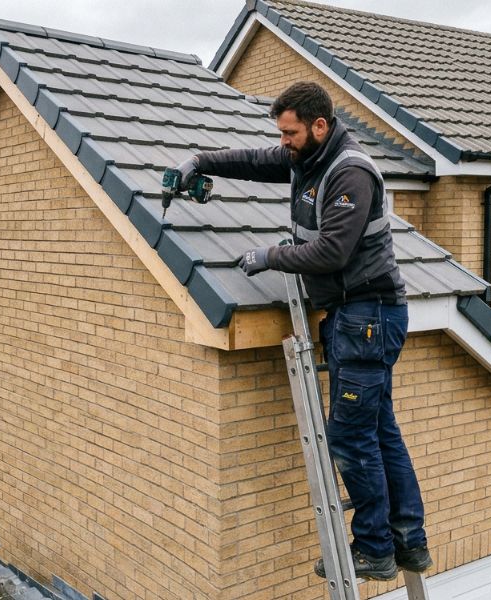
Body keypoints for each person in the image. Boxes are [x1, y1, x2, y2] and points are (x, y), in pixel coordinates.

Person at [174, 81, 431, 580]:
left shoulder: (349, 173)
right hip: (358, 318)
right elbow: (254, 161)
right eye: (282, 133)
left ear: (320, 125)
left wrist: (269, 256)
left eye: (290, 133)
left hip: (367, 316)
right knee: (380, 432)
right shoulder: (308, 157)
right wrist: (200, 161)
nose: (284, 141)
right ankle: (407, 541)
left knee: (350, 438)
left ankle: (375, 549)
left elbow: (331, 252)